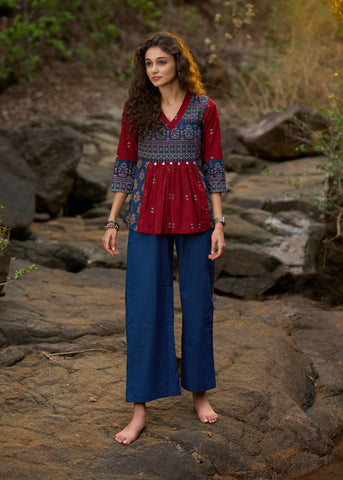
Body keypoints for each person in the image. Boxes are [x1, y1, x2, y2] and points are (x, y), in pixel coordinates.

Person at [103, 32, 226, 445]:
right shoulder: (136, 109)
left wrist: (219, 222)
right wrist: (112, 220)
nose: (154, 70)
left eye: (161, 62)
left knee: (197, 303)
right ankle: (139, 411)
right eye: (148, 64)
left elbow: (213, 166)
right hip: (146, 217)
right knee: (143, 308)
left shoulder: (204, 109)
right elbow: (124, 163)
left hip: (195, 216)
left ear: (178, 62)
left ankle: (199, 394)